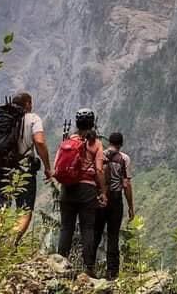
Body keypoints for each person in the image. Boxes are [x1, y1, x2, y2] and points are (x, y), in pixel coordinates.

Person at [0, 92, 52, 242]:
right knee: (24, 210)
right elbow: (39, 142)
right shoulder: (32, 118)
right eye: (30, 103)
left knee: (0, 207)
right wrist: (47, 167)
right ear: (27, 104)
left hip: (3, 168)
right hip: (24, 169)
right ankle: (10, 243)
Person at [56, 108, 107, 278]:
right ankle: (89, 268)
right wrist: (103, 192)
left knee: (66, 227)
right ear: (92, 123)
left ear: (77, 123)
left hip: (67, 189)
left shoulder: (68, 140)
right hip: (87, 190)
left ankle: (59, 263)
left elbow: (58, 165)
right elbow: (99, 170)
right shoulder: (96, 144)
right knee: (87, 228)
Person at [94, 131, 135, 280]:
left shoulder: (100, 155)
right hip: (116, 201)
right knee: (113, 236)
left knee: (96, 233)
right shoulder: (124, 158)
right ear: (121, 144)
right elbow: (126, 184)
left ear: (109, 142)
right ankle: (112, 273)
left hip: (100, 199)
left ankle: (89, 267)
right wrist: (130, 206)